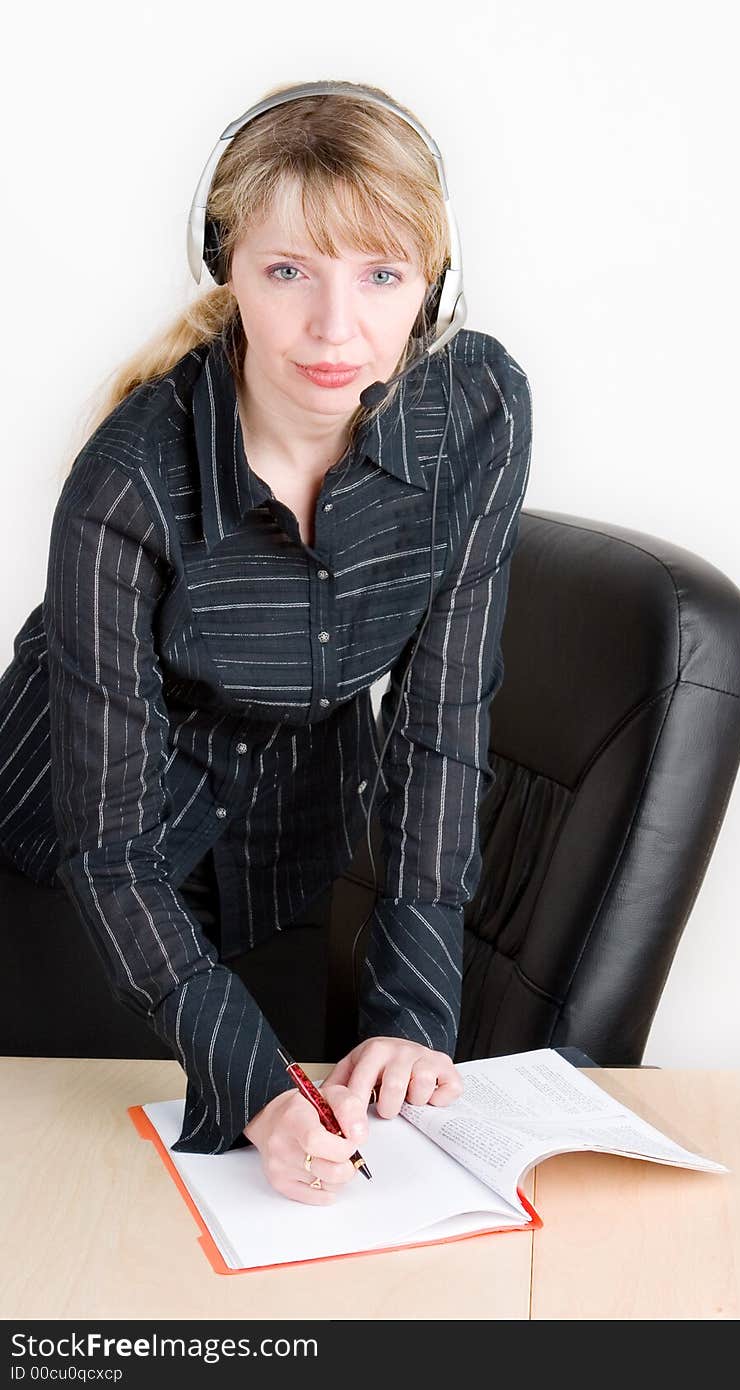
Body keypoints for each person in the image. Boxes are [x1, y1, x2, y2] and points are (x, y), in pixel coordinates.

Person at [0, 81, 533, 1204]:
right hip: (76, 883)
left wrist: (411, 1014)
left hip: (285, 860)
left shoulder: (476, 413)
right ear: (229, 267)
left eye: (381, 275)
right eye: (289, 270)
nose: (335, 329)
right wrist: (248, 1084)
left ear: (434, 285)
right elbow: (111, 852)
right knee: (108, 1200)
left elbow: (439, 730)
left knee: (323, 1170)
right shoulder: (129, 484)